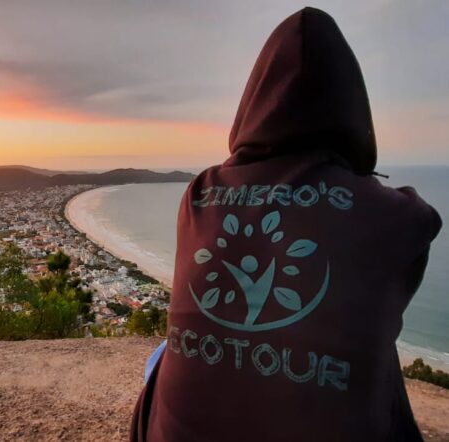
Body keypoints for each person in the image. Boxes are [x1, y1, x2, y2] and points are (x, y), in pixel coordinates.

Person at [130, 7, 442, 442]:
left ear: (252, 105)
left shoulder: (201, 192)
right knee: (377, 356)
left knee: (163, 354)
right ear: (353, 108)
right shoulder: (400, 216)